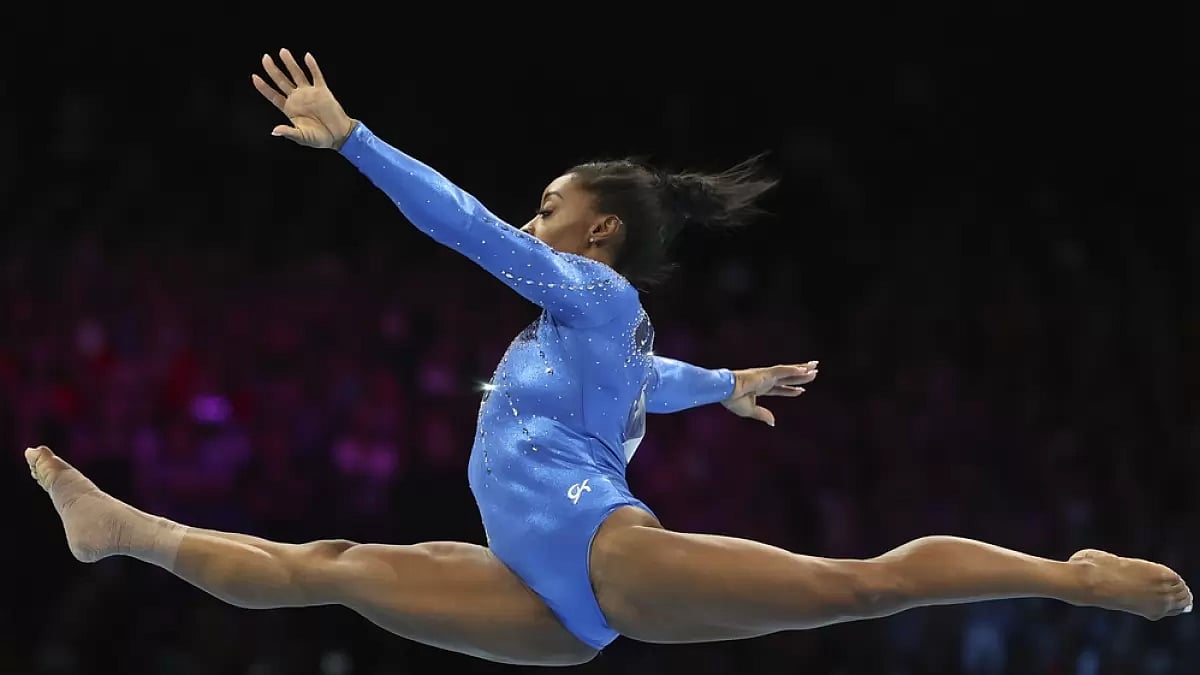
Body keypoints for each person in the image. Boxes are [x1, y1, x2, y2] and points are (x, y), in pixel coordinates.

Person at [27, 49, 1192, 667]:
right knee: (325, 561)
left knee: (858, 585)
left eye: (550, 208)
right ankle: (121, 531)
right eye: (536, 213)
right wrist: (721, 384)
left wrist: (358, 143)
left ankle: (1072, 576)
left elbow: (470, 228)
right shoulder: (590, 330)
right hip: (540, 600)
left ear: (599, 232)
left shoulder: (583, 287)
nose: (531, 226)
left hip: (596, 552)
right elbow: (648, 382)